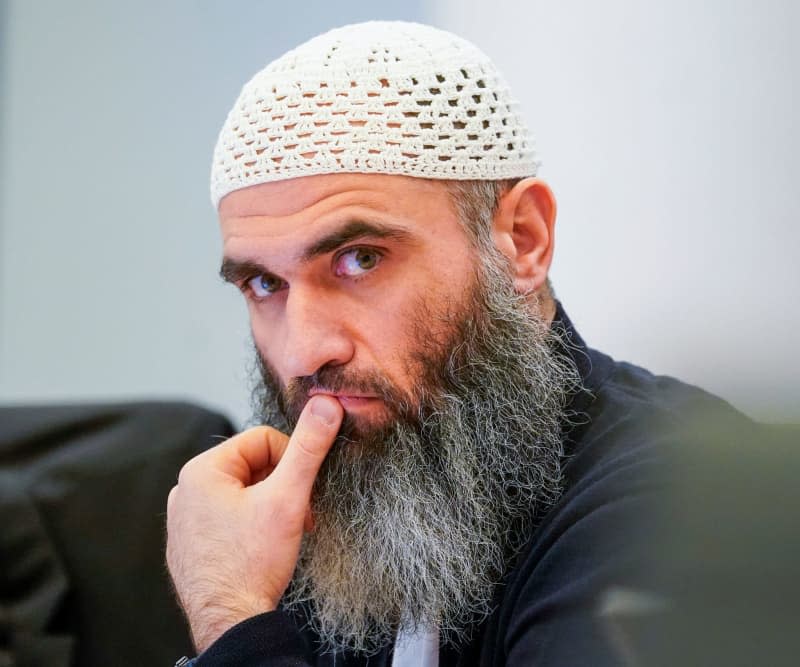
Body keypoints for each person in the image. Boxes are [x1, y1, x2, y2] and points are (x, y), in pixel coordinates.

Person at [165, 20, 752, 666]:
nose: (304, 353)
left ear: (522, 241)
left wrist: (234, 620)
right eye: (265, 282)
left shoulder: (679, 504)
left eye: (360, 258)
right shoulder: (331, 516)